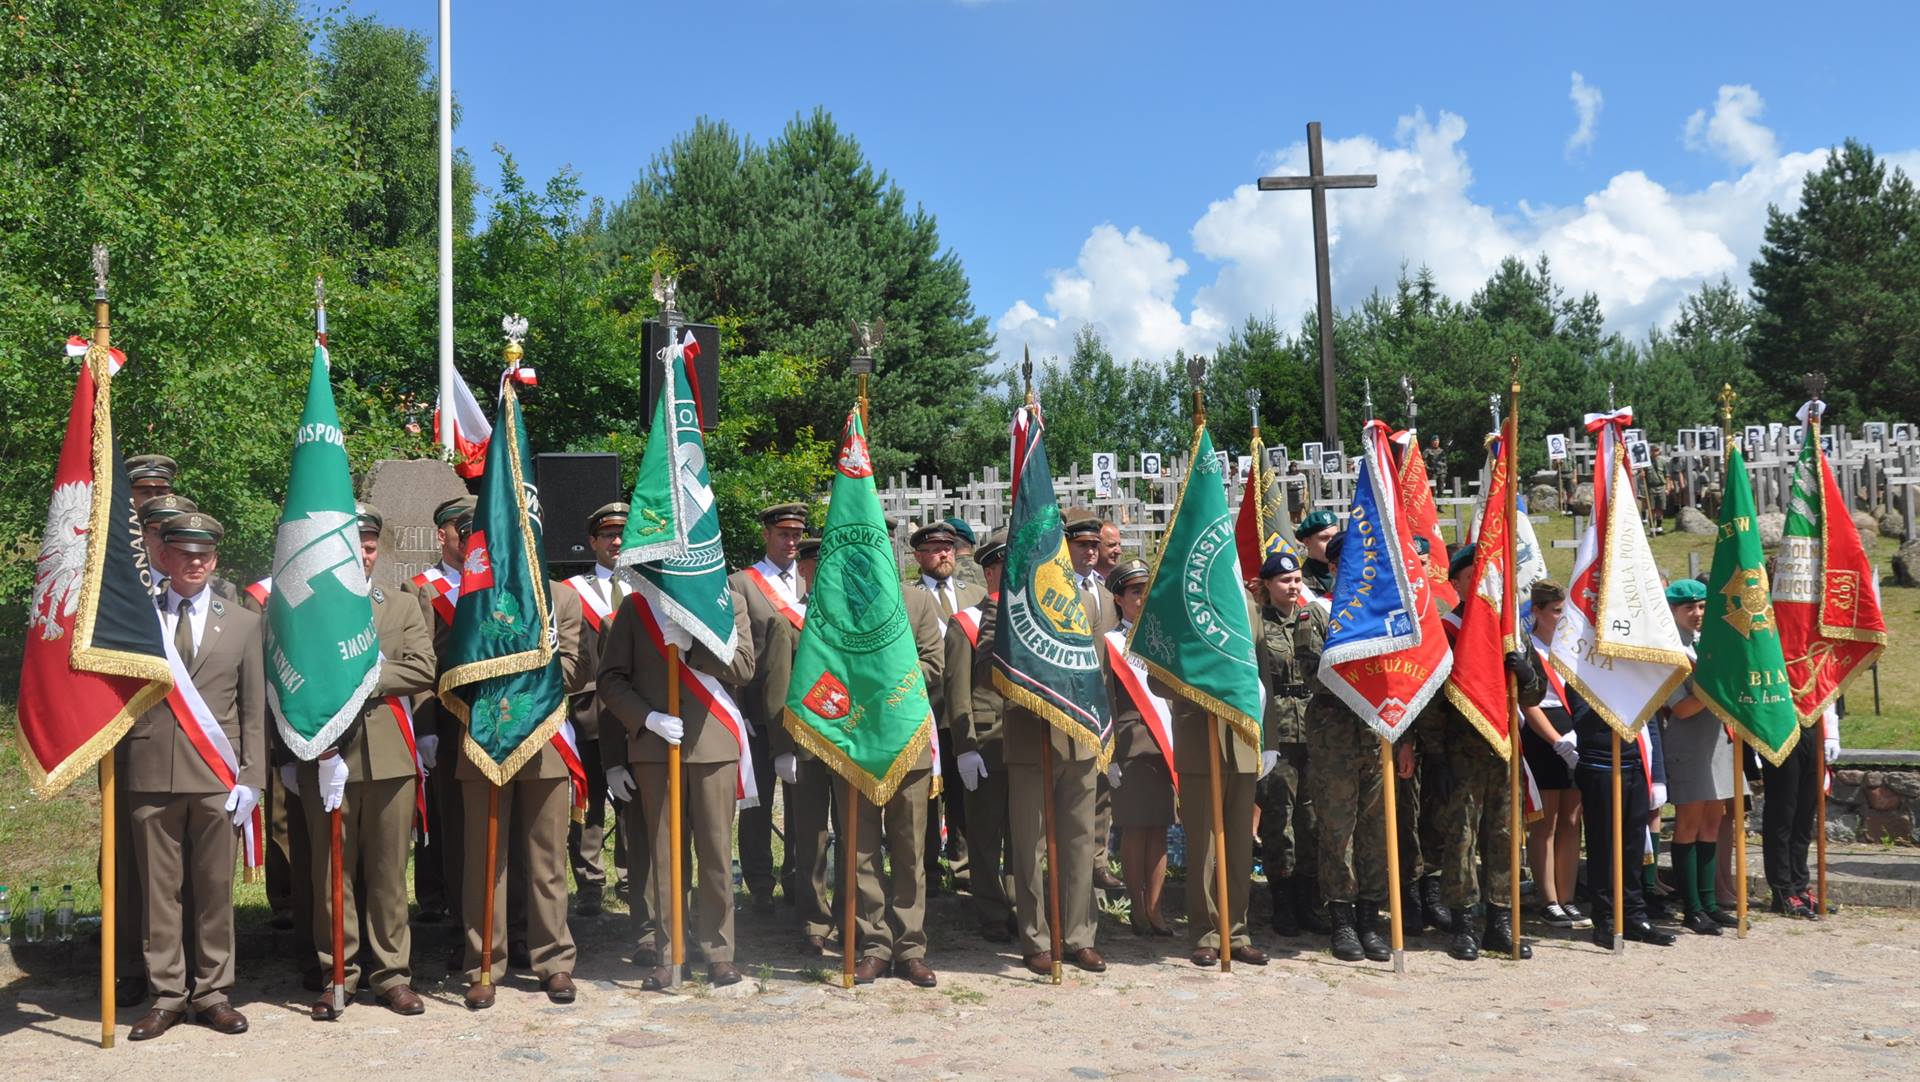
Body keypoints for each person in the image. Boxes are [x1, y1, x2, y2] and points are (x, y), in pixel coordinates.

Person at [294, 503, 437, 1018]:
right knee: (332, 873)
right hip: (328, 755)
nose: (363, 554)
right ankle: (338, 973)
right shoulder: (308, 607)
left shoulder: (400, 605)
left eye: (371, 546)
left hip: (390, 758)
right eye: (354, 545)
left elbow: (422, 667)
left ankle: (392, 975)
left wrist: (361, 677)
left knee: (388, 873)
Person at [123, 513, 262, 1040]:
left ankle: (213, 993)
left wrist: (252, 776)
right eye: (184, 552)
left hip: (216, 776)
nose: (195, 562)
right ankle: (166, 995)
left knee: (213, 890)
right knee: (160, 893)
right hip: (150, 772)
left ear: (216, 559)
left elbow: (252, 708)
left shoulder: (243, 623)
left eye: (204, 554)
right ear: (164, 556)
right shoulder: (135, 617)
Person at [597, 583, 756, 989]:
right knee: (664, 854)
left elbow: (743, 667)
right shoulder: (637, 607)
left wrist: (694, 648)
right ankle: (669, 954)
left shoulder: (727, 601)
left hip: (713, 742)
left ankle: (719, 952)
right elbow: (610, 679)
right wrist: (646, 718)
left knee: (716, 852)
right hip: (655, 745)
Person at [455, 564, 584, 1010]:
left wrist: (526, 664)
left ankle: (554, 960)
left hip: (545, 742)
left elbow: (574, 669)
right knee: (485, 861)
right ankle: (484, 963)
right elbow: (452, 664)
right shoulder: (475, 594)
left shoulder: (563, 598)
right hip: (486, 737)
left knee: (547, 860)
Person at [1411, 544, 1543, 961]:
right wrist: (1437, 756)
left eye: (1488, 577)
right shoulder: (1447, 631)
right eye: (1472, 577)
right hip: (1459, 754)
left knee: (1504, 838)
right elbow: (1430, 701)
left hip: (1502, 751)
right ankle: (1464, 925)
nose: (1482, 584)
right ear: (1456, 583)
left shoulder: (1509, 632)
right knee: (1461, 840)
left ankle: (1500, 923)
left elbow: (1534, 694)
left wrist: (1526, 674)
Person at [839, 580, 945, 987]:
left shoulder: (918, 601)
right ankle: (874, 945)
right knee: (860, 850)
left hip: (907, 740)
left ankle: (911, 948)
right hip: (856, 740)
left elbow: (934, 664)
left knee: (910, 851)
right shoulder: (838, 598)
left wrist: (884, 678)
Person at [1003, 580, 1108, 976]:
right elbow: (988, 673)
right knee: (1030, 846)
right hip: (1031, 742)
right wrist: (1035, 685)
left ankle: (1080, 936)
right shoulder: (1008, 600)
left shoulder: (1085, 602)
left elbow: (1096, 671)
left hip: (1079, 741)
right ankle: (1037, 938)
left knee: (1080, 843)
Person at [1168, 586, 1276, 967]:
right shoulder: (1182, 597)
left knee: (1240, 847)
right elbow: (1158, 676)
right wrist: (1203, 681)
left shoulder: (1247, 604)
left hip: (1243, 740)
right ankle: (1205, 933)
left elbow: (1263, 674)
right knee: (1204, 847)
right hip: (1200, 740)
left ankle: (1237, 932)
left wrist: (1269, 739)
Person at [1304, 532, 1393, 962]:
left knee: (1374, 832)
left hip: (1375, 735)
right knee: (1338, 832)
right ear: (1335, 567)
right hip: (1334, 737)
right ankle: (1342, 918)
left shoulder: (1383, 612)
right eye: (1350, 563)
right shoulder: (1318, 613)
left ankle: (1370, 920)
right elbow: (1312, 673)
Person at [554, 503, 632, 919]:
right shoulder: (571, 591)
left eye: (622, 535)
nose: (616, 542)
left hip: (634, 712)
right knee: (588, 804)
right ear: (592, 542)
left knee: (633, 800)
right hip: (588, 711)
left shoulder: (646, 587)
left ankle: (631, 876)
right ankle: (589, 883)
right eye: (608, 536)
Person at [733, 502, 810, 914]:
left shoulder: (813, 579)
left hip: (809, 711)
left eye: (796, 534)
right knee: (757, 803)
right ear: (766, 534)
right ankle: (759, 883)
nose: (791, 541)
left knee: (804, 804)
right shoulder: (742, 584)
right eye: (783, 534)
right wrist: (738, 709)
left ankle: (798, 877)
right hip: (758, 713)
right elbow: (733, 650)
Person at [1571, 658, 1676, 947]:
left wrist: (1657, 774)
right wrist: (1609, 696)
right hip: (1601, 767)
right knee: (1603, 847)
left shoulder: (1633, 672)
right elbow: (1582, 723)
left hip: (1634, 765)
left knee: (1632, 848)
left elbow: (1650, 725)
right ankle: (1605, 917)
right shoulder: (1581, 672)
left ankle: (1633, 914)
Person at [1657, 578, 1740, 935]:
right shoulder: (1669, 651)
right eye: (1689, 607)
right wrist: (1717, 686)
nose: (1697, 613)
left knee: (1712, 822)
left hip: (1717, 741)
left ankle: (1709, 902)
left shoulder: (1705, 644)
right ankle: (1692, 907)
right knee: (1688, 825)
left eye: (1702, 606)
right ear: (1673, 611)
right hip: (1688, 744)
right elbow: (1682, 708)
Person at [1253, 551, 1330, 938]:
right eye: (1284, 580)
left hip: (1315, 729)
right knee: (1279, 819)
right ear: (1267, 584)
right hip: (1278, 732)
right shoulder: (1258, 623)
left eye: (1297, 579)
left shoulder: (1315, 617)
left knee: (1311, 820)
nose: (1293, 586)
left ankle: (1308, 900)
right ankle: (1281, 901)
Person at [906, 521, 984, 896]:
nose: (944, 554)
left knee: (963, 794)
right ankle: (928, 870)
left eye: (948, 547)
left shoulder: (975, 594)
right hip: (925, 707)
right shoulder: (908, 595)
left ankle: (963, 867)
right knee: (926, 795)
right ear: (918, 556)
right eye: (935, 549)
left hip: (965, 708)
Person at [411, 494, 476, 928]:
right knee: (449, 824)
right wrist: (425, 727)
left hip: (493, 719)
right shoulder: (423, 588)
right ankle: (453, 912)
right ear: (442, 535)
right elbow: (420, 666)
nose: (470, 540)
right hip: (448, 720)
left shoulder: (493, 582)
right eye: (461, 531)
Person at [1102, 558, 1175, 937]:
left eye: (1147, 590)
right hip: (1131, 747)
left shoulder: (1163, 636)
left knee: (1160, 829)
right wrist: (1109, 753)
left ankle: (1155, 908)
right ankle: (1136, 906)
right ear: (1118, 598)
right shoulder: (1109, 643)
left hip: (1166, 746)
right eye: (1134, 591)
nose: (1142, 597)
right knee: (1135, 829)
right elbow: (1104, 701)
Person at [951, 532, 1017, 943]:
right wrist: (965, 747)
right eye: (1007, 567)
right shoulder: (966, 623)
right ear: (990, 571)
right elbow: (958, 691)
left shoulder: (1030, 619)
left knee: (1024, 834)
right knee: (985, 833)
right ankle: (992, 909)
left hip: (1025, 741)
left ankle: (1020, 904)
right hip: (986, 740)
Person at [1519, 581, 1589, 931]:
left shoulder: (1573, 649)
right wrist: (1557, 741)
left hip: (1575, 732)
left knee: (1572, 821)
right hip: (1543, 737)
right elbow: (1528, 702)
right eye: (1556, 611)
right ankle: (1548, 899)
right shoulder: (1529, 648)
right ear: (1537, 612)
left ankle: (1568, 896)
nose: (1562, 618)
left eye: (1565, 611)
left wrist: (1577, 735)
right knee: (1545, 821)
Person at [1061, 509, 1123, 892]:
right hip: (1070, 702)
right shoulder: (1058, 589)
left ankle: (1098, 860)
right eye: (1083, 545)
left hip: (1106, 703)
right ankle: (1070, 865)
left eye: (1094, 545)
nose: (1091, 552)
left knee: (1102, 790)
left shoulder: (1106, 593)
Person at [1762, 701, 1841, 919]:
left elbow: (1824, 692)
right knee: (1782, 815)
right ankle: (1783, 890)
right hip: (1781, 726)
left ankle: (1799, 885)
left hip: (1813, 725)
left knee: (1804, 818)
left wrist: (1831, 732)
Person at [1295, 511, 1339, 596]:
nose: (1332, 543)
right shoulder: (1298, 582)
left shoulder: (1349, 576)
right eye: (1324, 538)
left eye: (1335, 537)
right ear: (1307, 542)